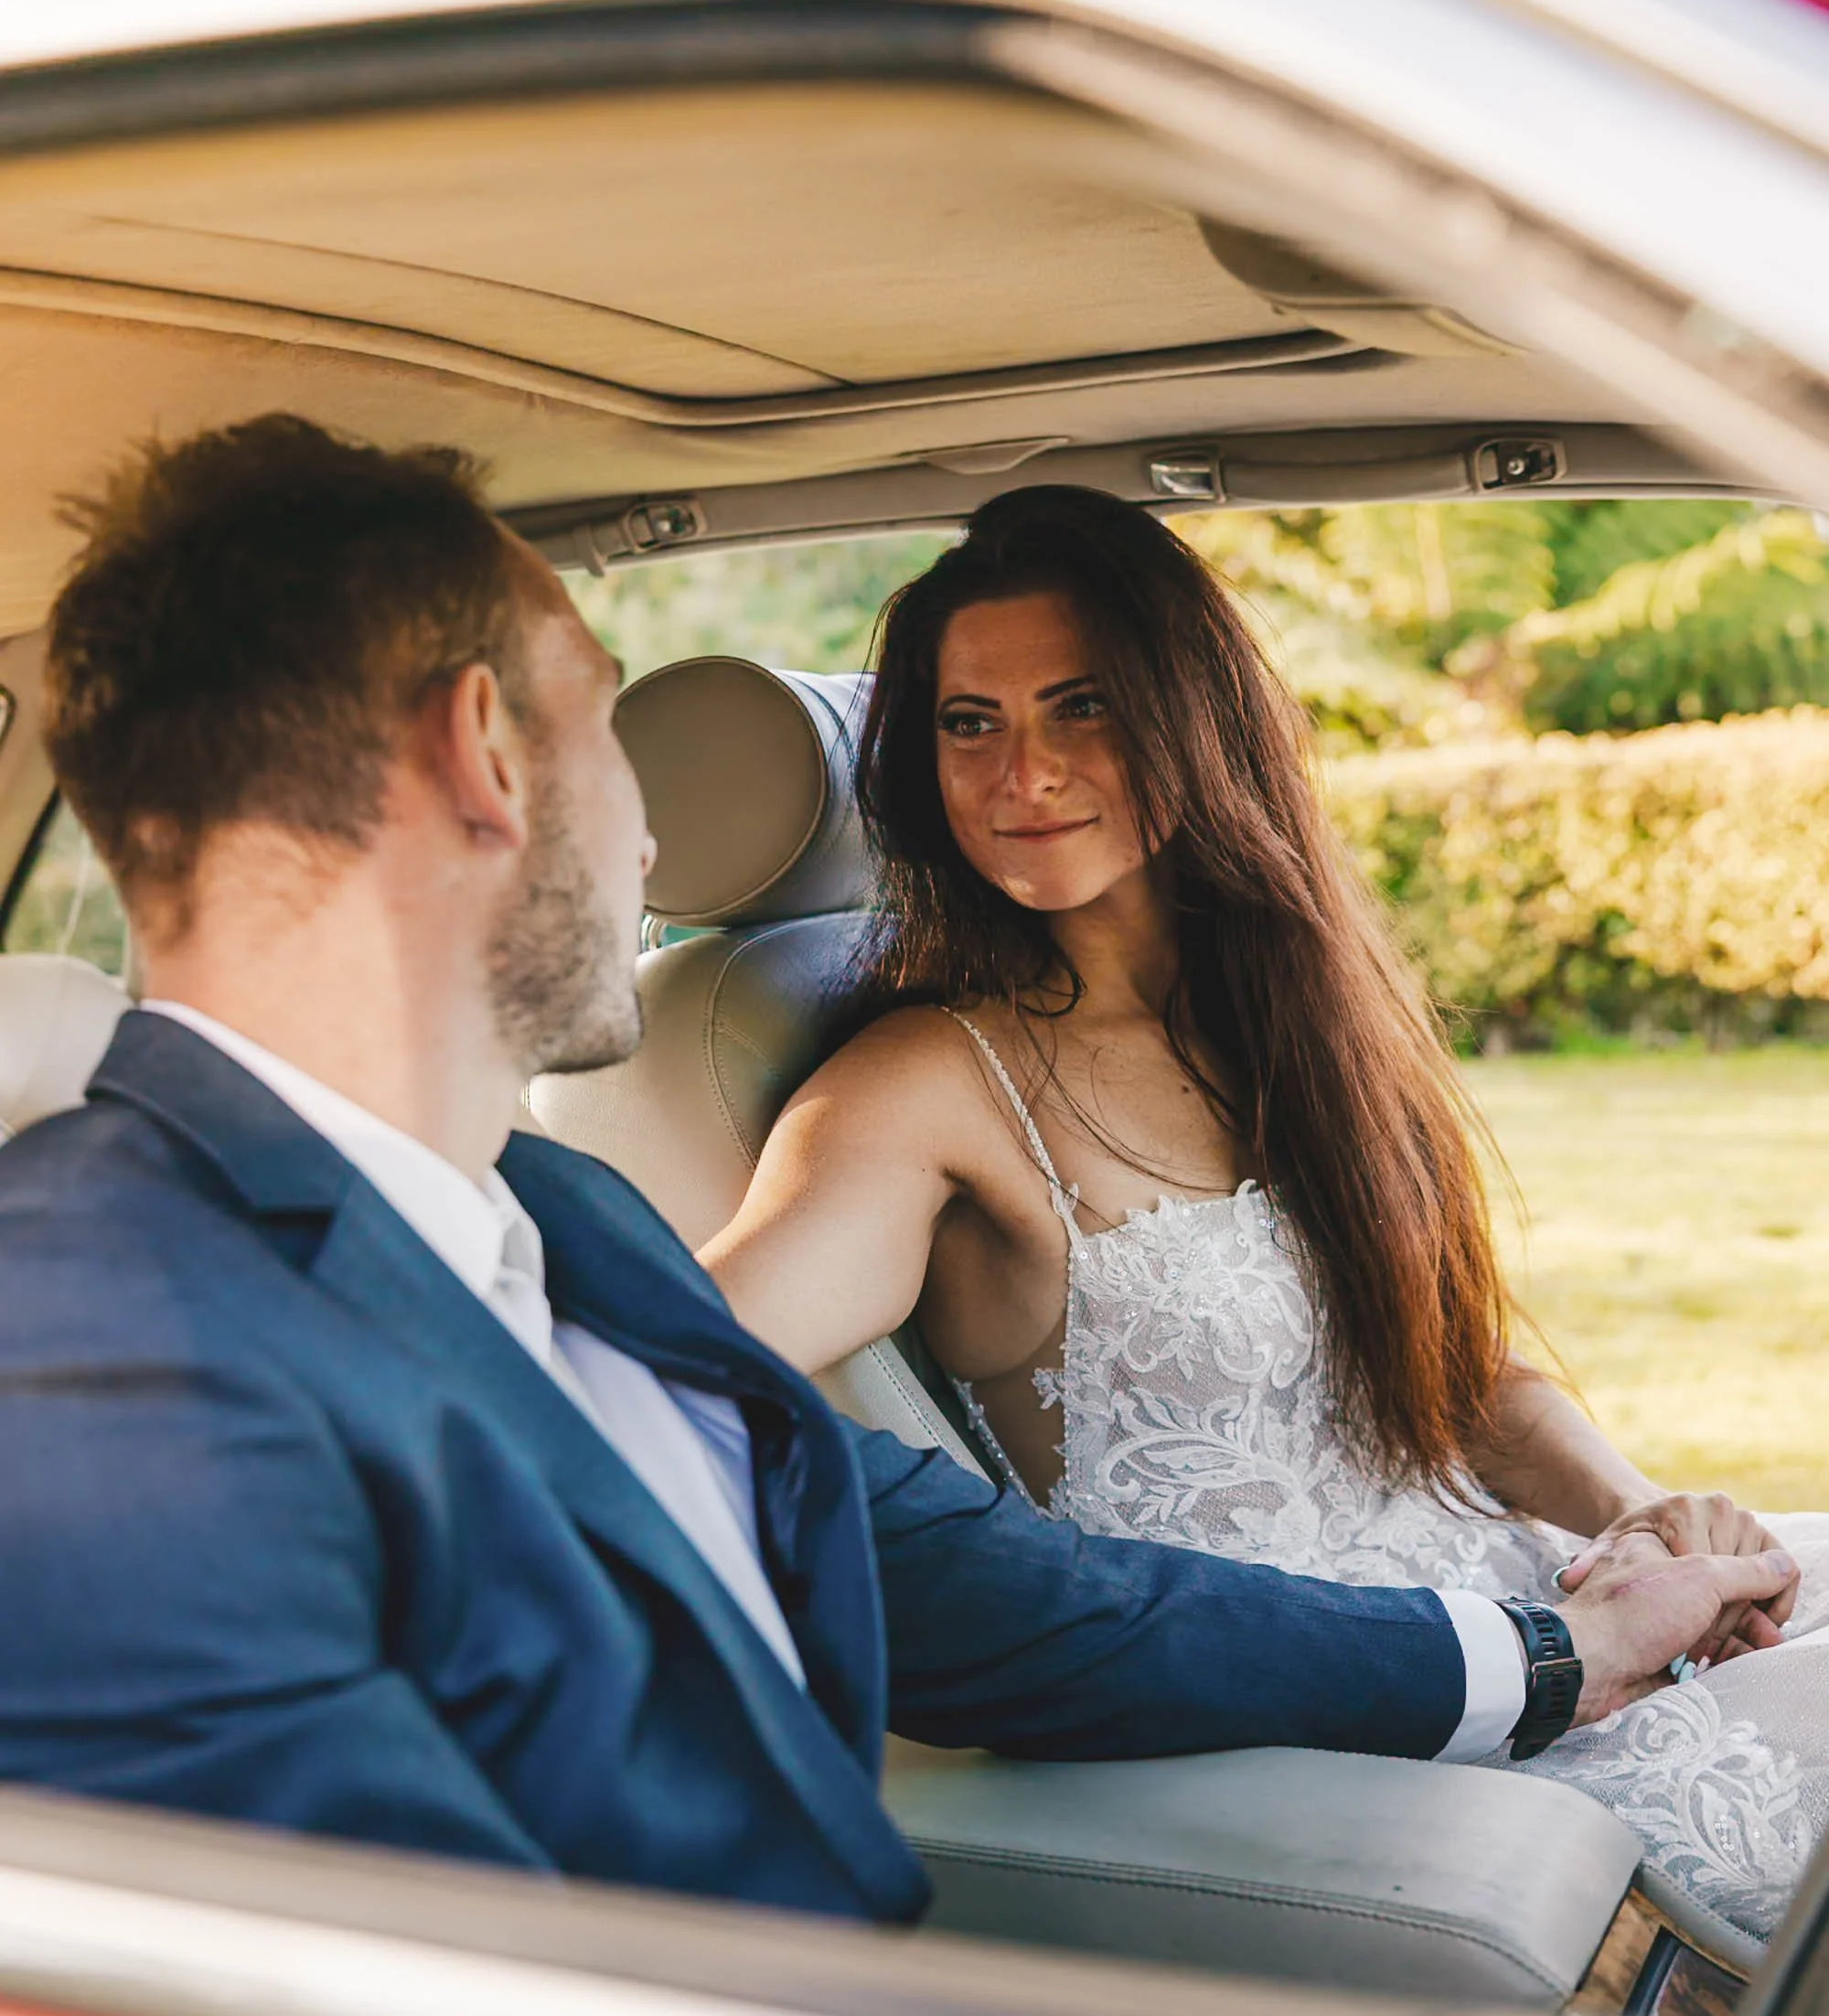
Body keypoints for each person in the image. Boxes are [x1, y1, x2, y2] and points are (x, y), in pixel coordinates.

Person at [0, 424, 1791, 1926]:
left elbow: (1017, 1602)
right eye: (614, 731)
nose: (654, 832)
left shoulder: (570, 1232)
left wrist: (1554, 1650)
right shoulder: (96, 1359)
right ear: (487, 752)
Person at [703, 485, 1829, 1941]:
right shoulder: (923, 1084)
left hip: (1526, 1596)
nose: (1020, 772)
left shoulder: (1296, 1028)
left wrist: (1638, 1519)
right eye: (968, 722)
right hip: (1346, 1710)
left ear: (1194, 721)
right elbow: (701, 1355)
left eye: (1080, 706)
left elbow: (1452, 1376)